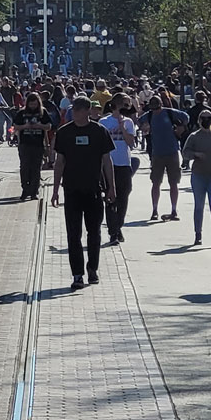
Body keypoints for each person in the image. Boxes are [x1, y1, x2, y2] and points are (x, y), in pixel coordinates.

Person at [51, 96, 116, 290]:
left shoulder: (99, 131)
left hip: (94, 189)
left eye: (81, 109)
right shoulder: (64, 132)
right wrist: (55, 190)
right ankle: (77, 273)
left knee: (94, 232)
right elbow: (59, 162)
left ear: (88, 110)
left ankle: (92, 269)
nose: (77, 113)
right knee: (73, 234)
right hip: (71, 190)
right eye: (75, 110)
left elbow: (107, 161)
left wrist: (111, 187)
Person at [182, 110, 211, 247]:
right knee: (199, 206)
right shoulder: (194, 137)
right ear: (199, 120)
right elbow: (185, 153)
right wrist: (196, 154)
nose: (206, 120)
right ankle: (198, 234)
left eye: (209, 118)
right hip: (199, 175)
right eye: (203, 118)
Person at [139, 95, 188, 221]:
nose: (156, 110)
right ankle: (155, 209)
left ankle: (174, 209)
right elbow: (139, 121)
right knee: (156, 182)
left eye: (157, 107)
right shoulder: (149, 115)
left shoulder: (169, 113)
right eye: (153, 107)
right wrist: (144, 126)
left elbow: (185, 117)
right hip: (157, 153)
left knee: (173, 183)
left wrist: (180, 128)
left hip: (172, 151)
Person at [100, 93, 136, 246]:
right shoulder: (104, 122)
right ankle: (112, 231)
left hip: (124, 164)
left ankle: (118, 225)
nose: (128, 108)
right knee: (110, 198)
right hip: (109, 164)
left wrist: (122, 127)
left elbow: (131, 143)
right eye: (125, 105)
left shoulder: (128, 122)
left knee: (123, 197)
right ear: (116, 105)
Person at [14, 93, 52, 202]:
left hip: (38, 144)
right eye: (31, 104)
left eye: (35, 104)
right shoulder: (22, 113)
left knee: (36, 169)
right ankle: (25, 189)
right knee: (25, 168)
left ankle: (34, 191)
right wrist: (25, 126)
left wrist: (39, 126)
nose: (33, 106)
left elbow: (49, 126)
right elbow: (15, 126)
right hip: (25, 144)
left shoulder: (42, 112)